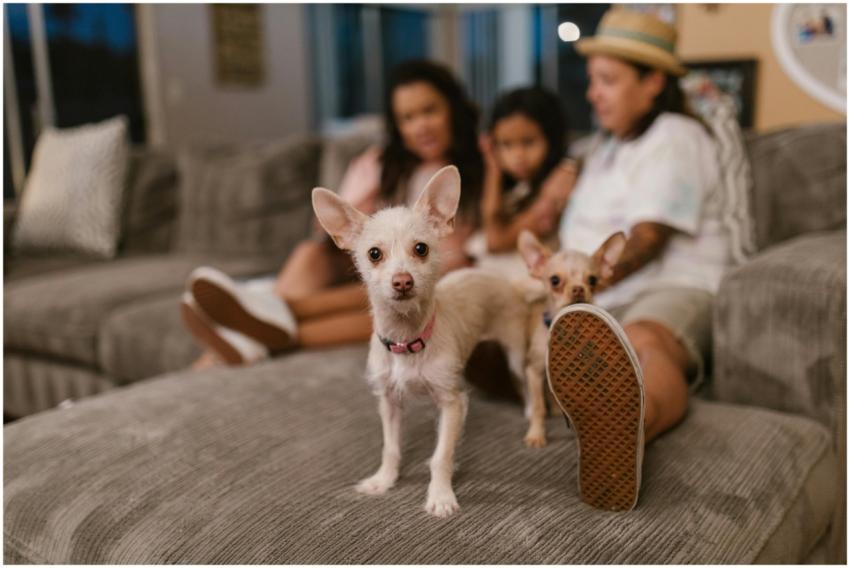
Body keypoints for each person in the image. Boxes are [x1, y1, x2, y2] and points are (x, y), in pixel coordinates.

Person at [544, 9, 732, 511]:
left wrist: (579, 291)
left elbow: (647, 240)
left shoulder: (674, 135)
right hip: (603, 301)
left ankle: (626, 433)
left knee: (646, 339)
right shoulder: (603, 148)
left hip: (675, 283)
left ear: (652, 83)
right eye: (591, 81)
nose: (592, 94)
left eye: (607, 81)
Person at [182, 60, 484, 368]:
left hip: (426, 277)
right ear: (397, 126)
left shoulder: (480, 164)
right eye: (408, 118)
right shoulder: (381, 163)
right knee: (311, 252)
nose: (420, 126)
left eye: (429, 110)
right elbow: (334, 226)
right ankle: (245, 332)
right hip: (367, 262)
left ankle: (263, 319)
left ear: (453, 108)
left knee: (395, 302)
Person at [467, 86, 577, 276]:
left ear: (552, 139)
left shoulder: (557, 185)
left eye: (528, 142)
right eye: (506, 145)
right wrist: (493, 168)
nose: (517, 156)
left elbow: (495, 241)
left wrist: (493, 171)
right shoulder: (515, 188)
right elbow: (491, 219)